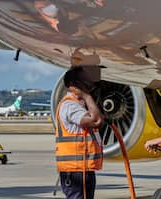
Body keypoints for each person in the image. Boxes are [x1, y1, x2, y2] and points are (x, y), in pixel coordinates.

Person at [55, 66, 104, 199]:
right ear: (73, 86)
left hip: (82, 168)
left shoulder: (78, 105)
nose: (90, 84)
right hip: (75, 170)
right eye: (84, 81)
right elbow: (96, 120)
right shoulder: (70, 106)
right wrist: (87, 96)